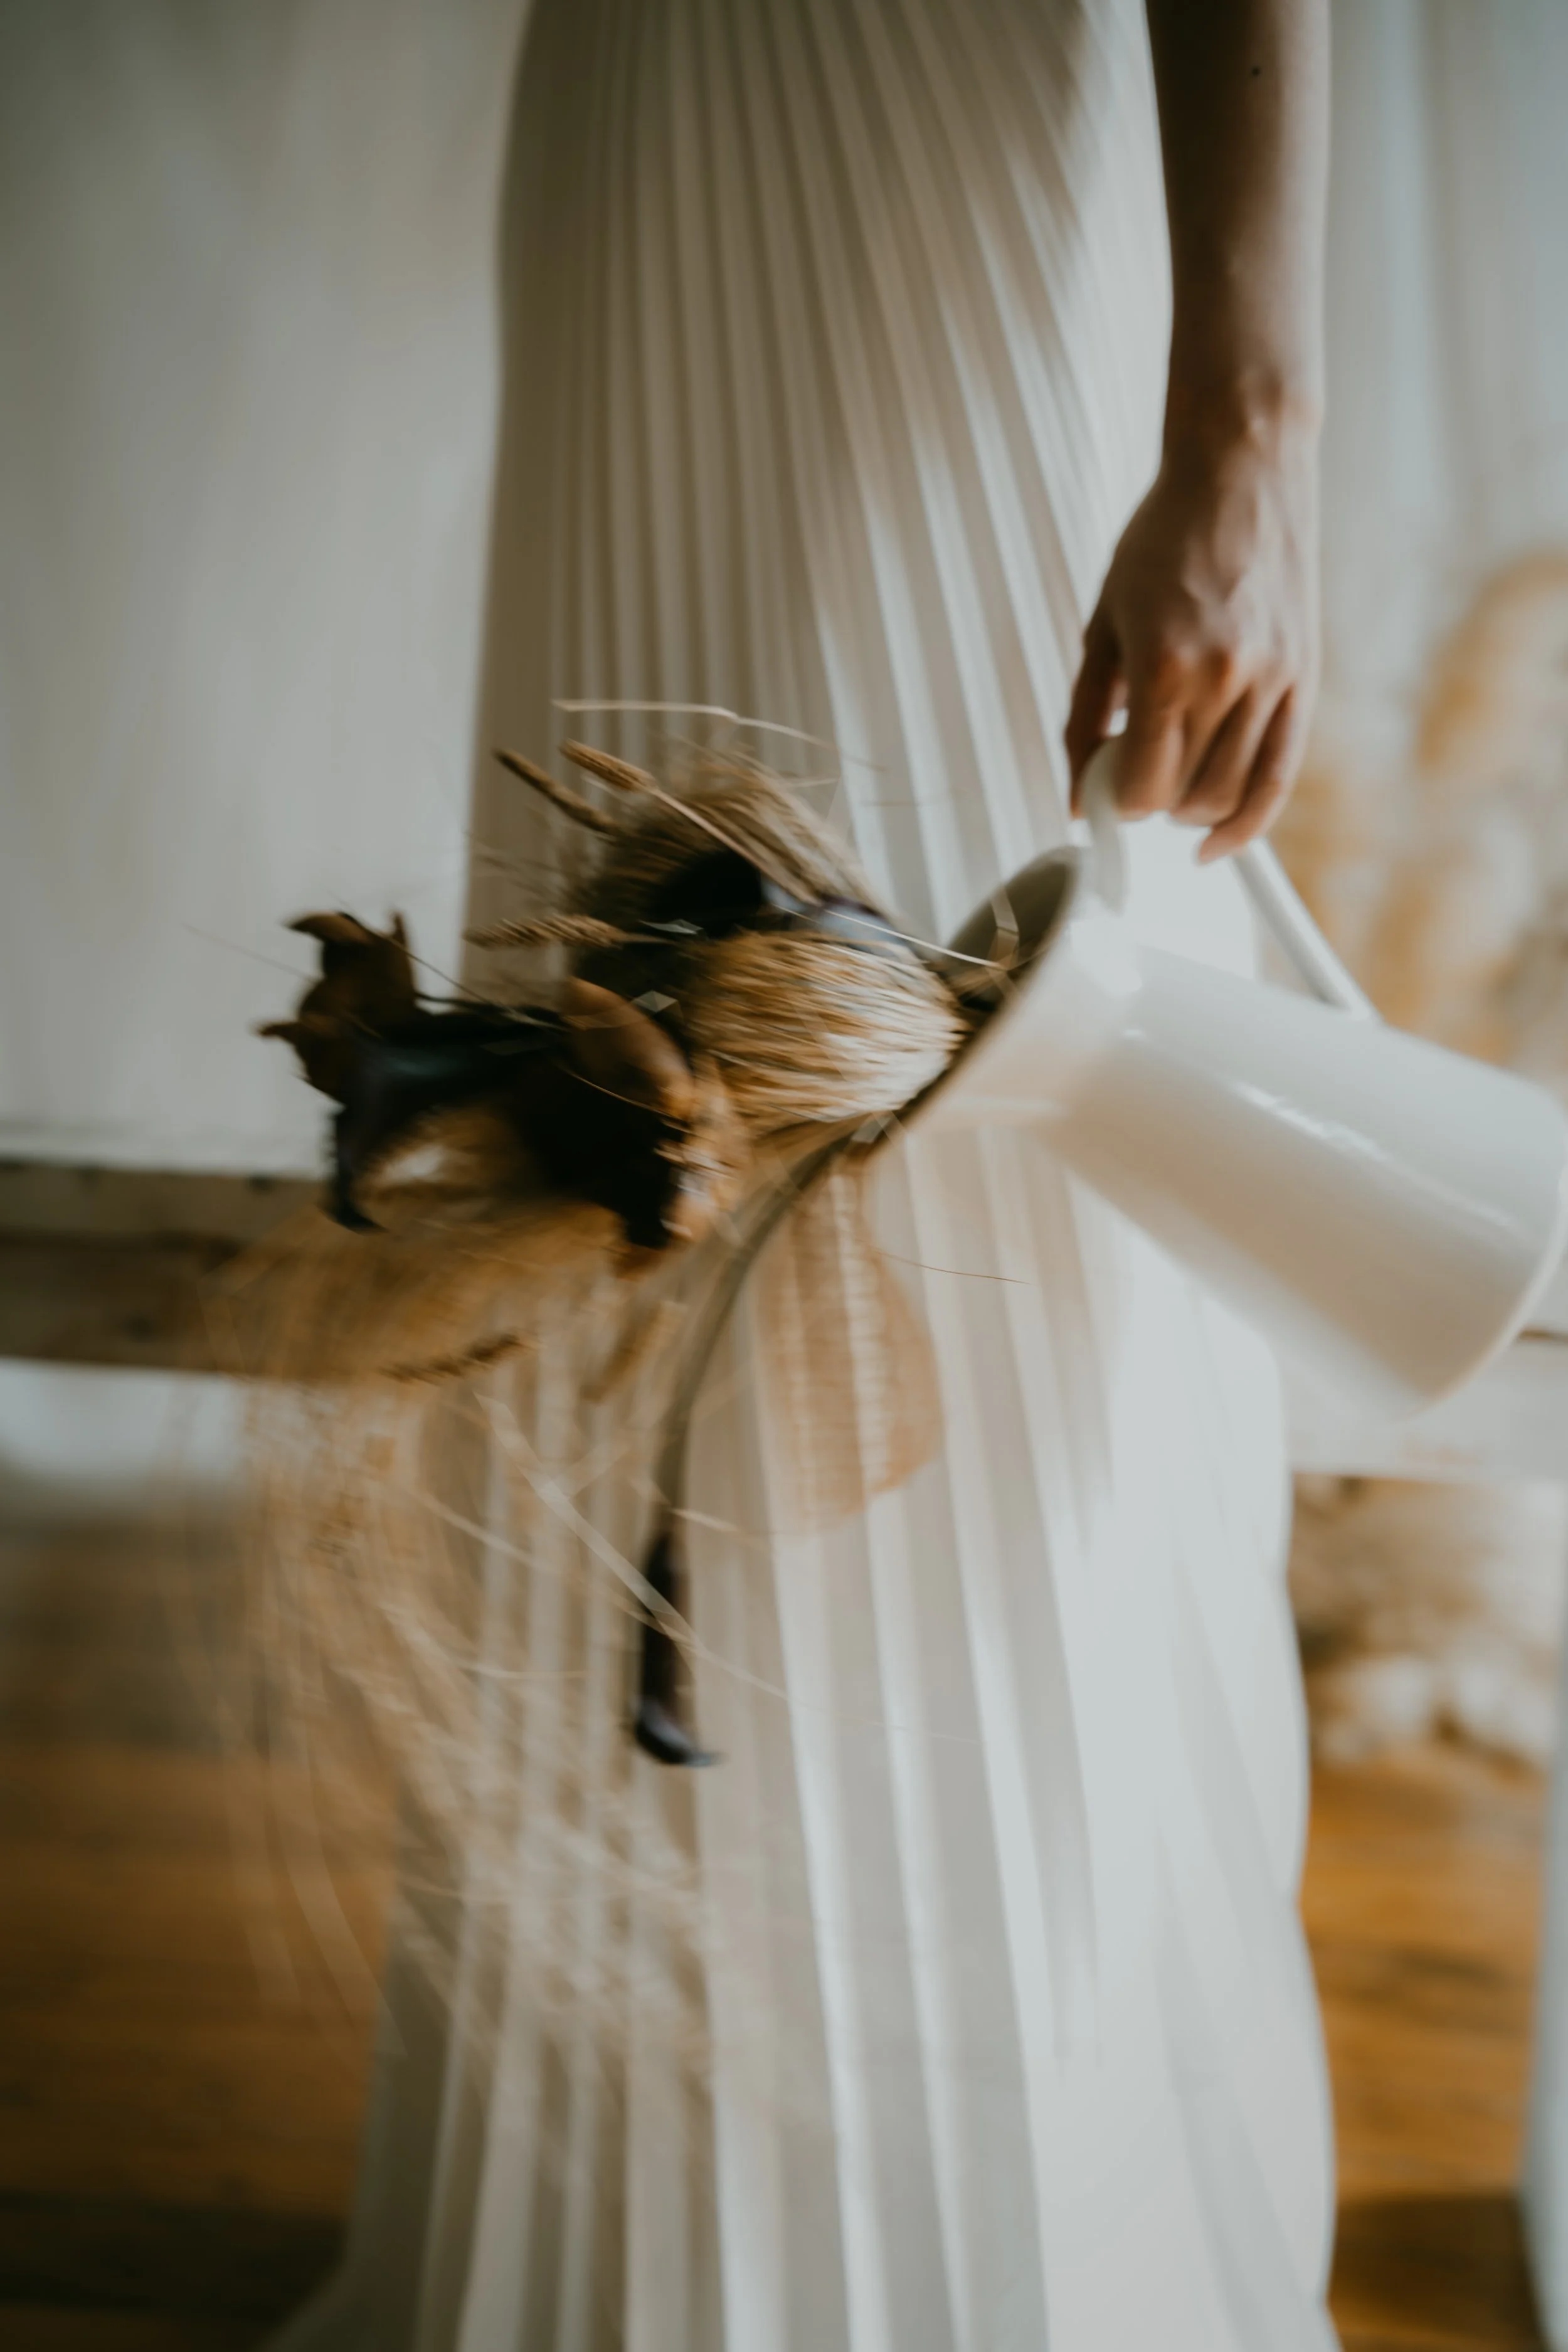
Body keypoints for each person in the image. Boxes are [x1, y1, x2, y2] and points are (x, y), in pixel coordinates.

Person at [276, 1, 1339, 2344]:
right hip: (643, 137)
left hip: (920, 154)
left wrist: (1242, 422)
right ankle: (612, 2210)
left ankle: (977, 2218)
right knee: (627, 1069)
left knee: (953, 1094)